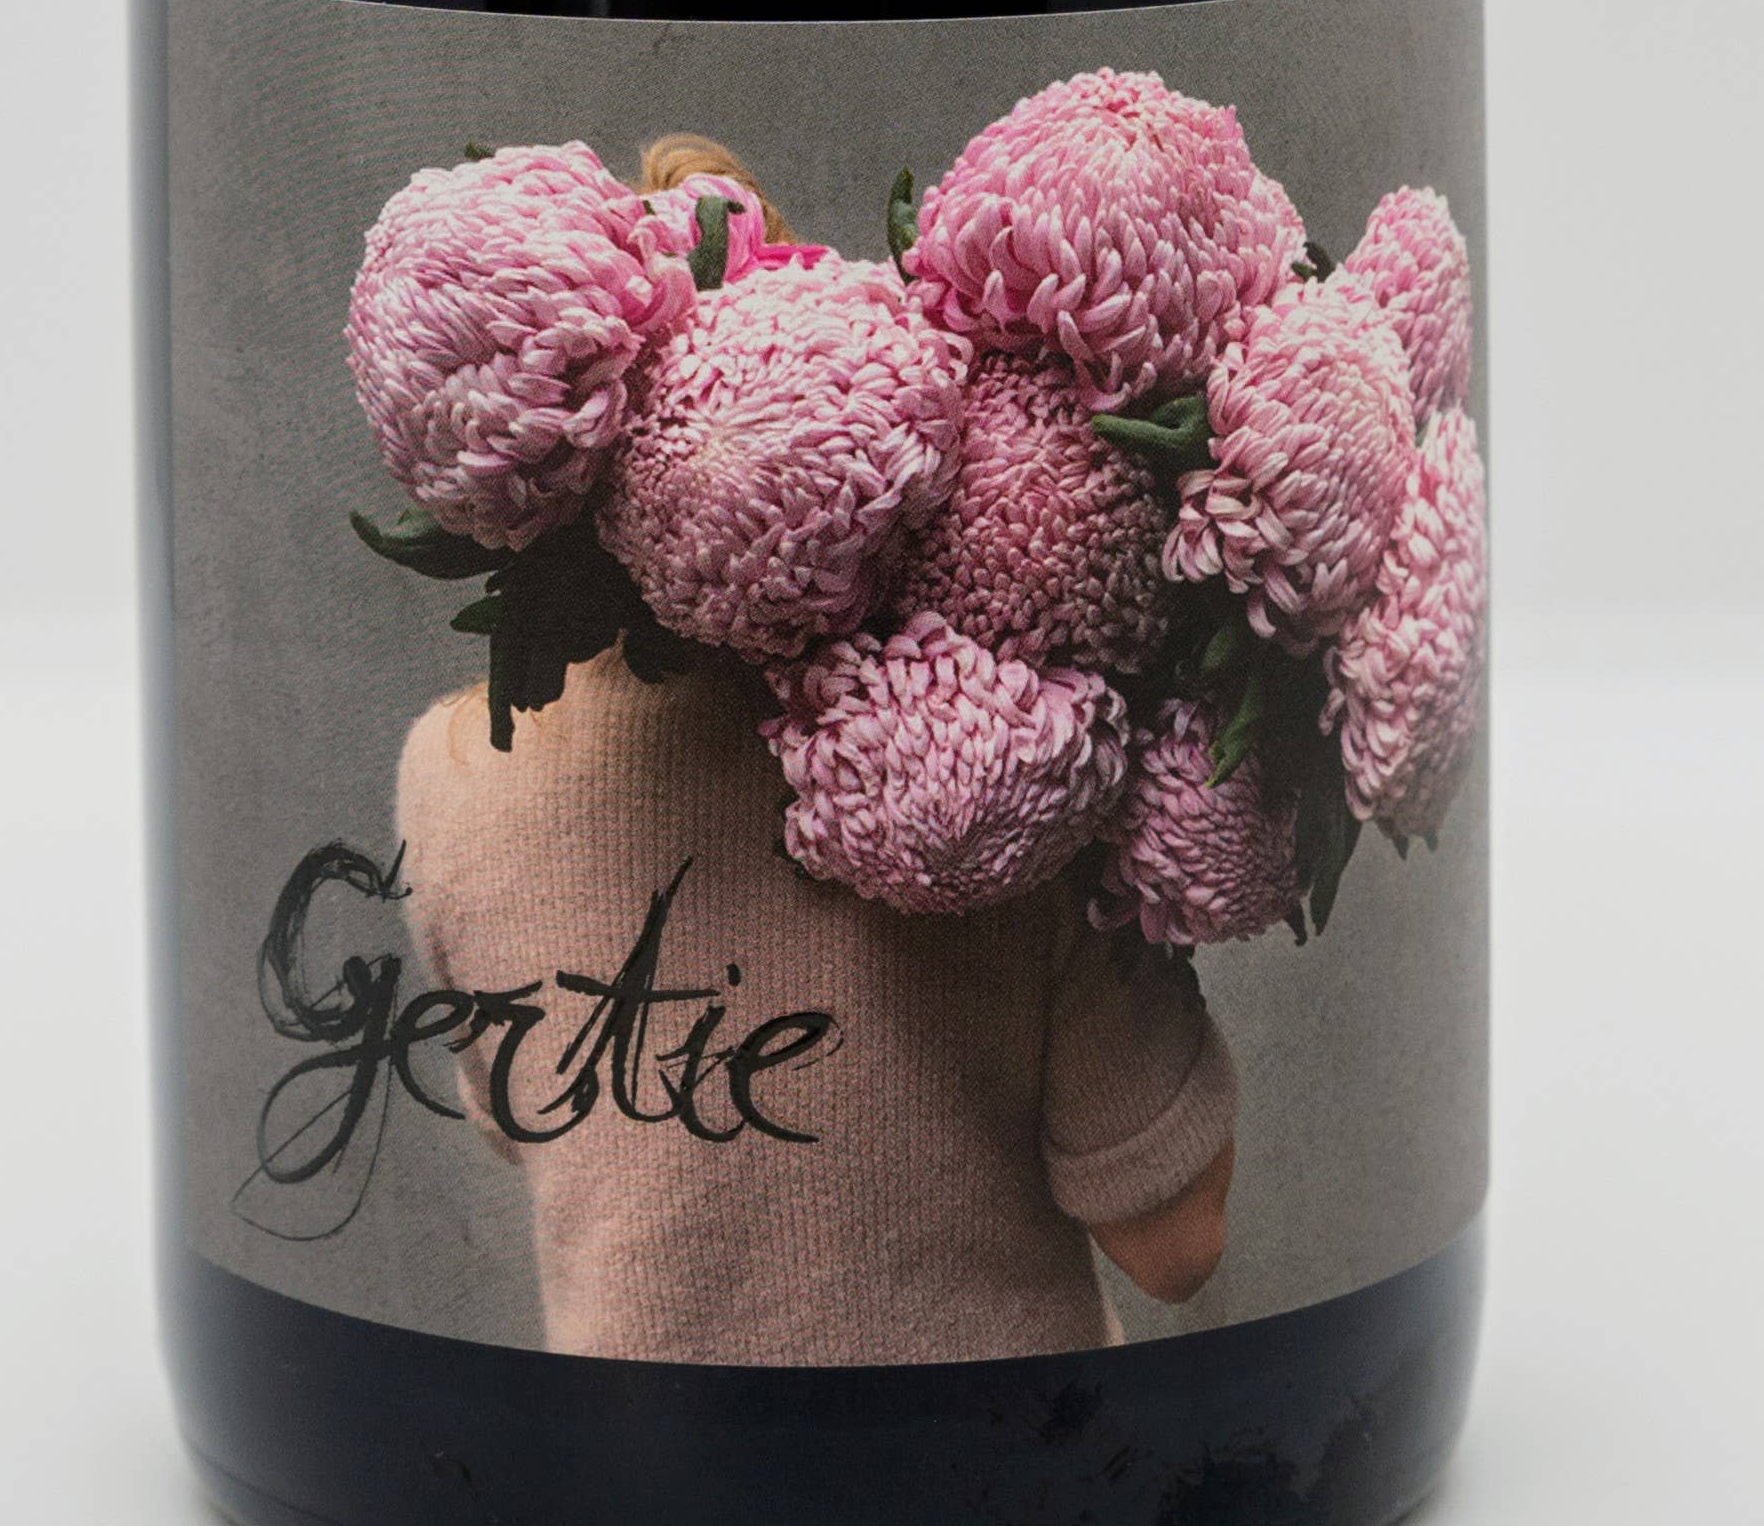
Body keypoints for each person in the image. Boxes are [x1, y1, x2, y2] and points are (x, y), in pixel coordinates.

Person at [387, 138, 1235, 1366]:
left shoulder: (452, 777)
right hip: (995, 1463)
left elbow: (532, 1128)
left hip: (637, 1463)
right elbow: (1175, 1243)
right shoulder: (1000, 781)